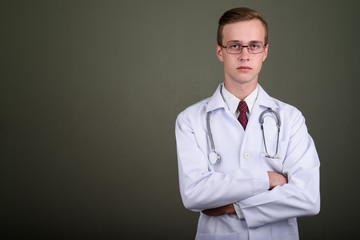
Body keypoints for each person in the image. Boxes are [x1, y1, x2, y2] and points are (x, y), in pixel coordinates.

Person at [175, 7, 320, 240]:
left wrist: (233, 207)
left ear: (265, 52)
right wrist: (268, 179)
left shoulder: (291, 118)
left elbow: (308, 197)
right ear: (219, 52)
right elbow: (194, 194)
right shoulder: (190, 119)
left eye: (254, 45)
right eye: (234, 45)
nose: (245, 55)